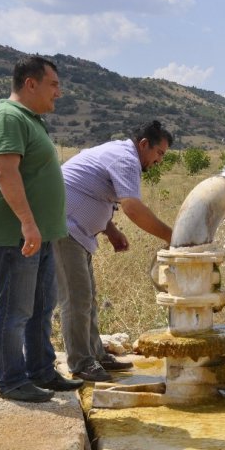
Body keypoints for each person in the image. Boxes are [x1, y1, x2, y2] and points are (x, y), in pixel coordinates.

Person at [0, 56, 83, 402]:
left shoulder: (30, 120)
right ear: (30, 84)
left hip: (39, 235)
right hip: (16, 236)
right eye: (53, 84)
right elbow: (6, 173)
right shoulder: (7, 118)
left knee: (40, 307)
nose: (59, 92)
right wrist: (27, 223)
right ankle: (11, 381)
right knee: (15, 311)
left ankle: (41, 371)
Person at [54, 120, 173, 382]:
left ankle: (96, 355)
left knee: (88, 298)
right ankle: (81, 363)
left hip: (77, 231)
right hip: (63, 228)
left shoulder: (121, 154)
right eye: (159, 153)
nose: (159, 160)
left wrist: (110, 230)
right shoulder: (126, 159)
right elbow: (132, 207)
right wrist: (173, 236)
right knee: (76, 299)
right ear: (144, 144)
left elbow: (92, 191)